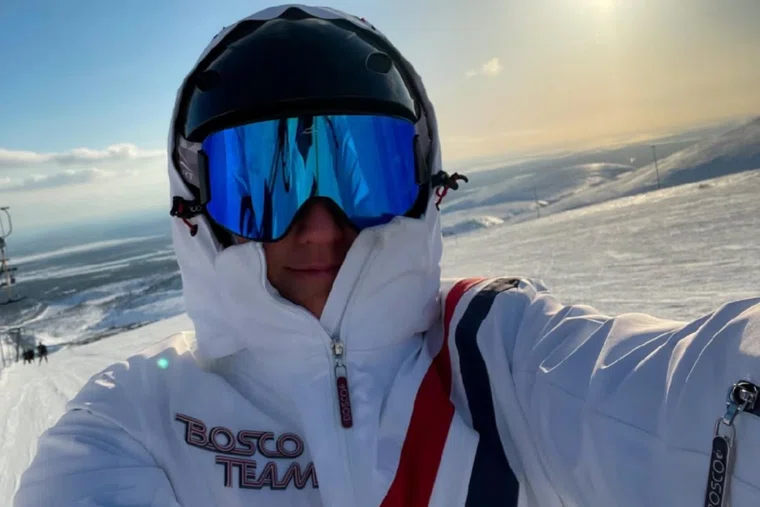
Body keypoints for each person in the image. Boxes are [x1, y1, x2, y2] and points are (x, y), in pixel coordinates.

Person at [14, 5, 760, 507]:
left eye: (363, 175)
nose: (318, 228)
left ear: (423, 183)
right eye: (260, 187)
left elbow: (691, 393)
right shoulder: (137, 414)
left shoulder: (495, 355)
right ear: (195, 206)